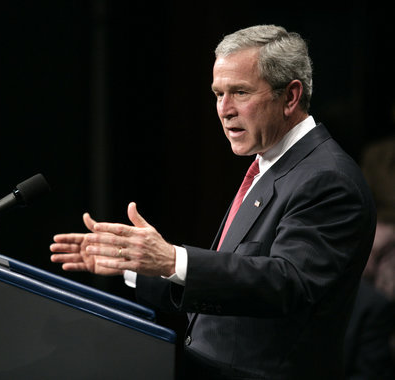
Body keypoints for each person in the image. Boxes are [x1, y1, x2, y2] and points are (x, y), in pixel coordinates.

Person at [50, 25, 376, 379]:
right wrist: (138, 264)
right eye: (218, 94)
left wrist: (174, 258)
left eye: (240, 92)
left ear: (291, 96)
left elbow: (287, 283)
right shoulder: (269, 163)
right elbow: (232, 285)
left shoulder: (327, 178)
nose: (225, 109)